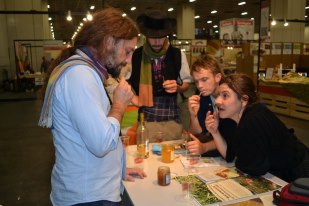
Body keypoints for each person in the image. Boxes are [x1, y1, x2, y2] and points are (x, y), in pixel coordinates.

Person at [38, 8, 146, 206]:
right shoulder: (80, 75)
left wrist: (119, 168)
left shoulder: (89, 72)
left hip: (95, 190)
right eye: (128, 51)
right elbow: (101, 142)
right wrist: (119, 105)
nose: (129, 60)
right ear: (109, 42)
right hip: (88, 197)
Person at [206, 73, 309, 182]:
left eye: (225, 95)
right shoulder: (234, 118)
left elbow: (253, 168)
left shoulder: (254, 118)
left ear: (244, 100)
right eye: (218, 95)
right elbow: (229, 155)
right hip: (281, 172)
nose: (217, 101)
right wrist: (215, 132)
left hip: (299, 173)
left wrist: (241, 159)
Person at [129, 10, 191, 142]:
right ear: (146, 36)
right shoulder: (136, 55)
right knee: (146, 158)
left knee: (173, 158)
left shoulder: (177, 54)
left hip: (172, 119)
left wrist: (178, 87)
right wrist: (133, 96)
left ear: (167, 36)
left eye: (161, 37)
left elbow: (186, 83)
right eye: (152, 37)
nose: (157, 41)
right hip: (146, 119)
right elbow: (125, 82)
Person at [186, 53, 236, 156]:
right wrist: (193, 115)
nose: (200, 86)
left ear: (217, 77)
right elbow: (197, 134)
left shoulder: (232, 96)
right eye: (196, 81)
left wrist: (204, 147)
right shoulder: (203, 96)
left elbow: (230, 138)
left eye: (204, 80)